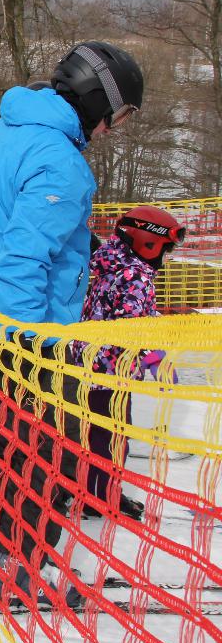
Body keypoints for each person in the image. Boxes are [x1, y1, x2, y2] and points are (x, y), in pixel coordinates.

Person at [0, 40, 143, 607]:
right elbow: (23, 262)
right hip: (29, 335)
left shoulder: (4, 131)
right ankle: (12, 566)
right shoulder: (62, 164)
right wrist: (31, 345)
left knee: (16, 446)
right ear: (99, 101)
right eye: (121, 114)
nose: (115, 129)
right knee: (52, 453)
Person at [69, 205, 185, 522]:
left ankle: (91, 491)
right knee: (113, 437)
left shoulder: (113, 267)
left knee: (96, 434)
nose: (166, 258)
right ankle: (100, 496)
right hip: (111, 371)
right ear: (148, 243)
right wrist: (155, 359)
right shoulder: (136, 277)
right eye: (165, 251)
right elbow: (132, 326)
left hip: (90, 366)